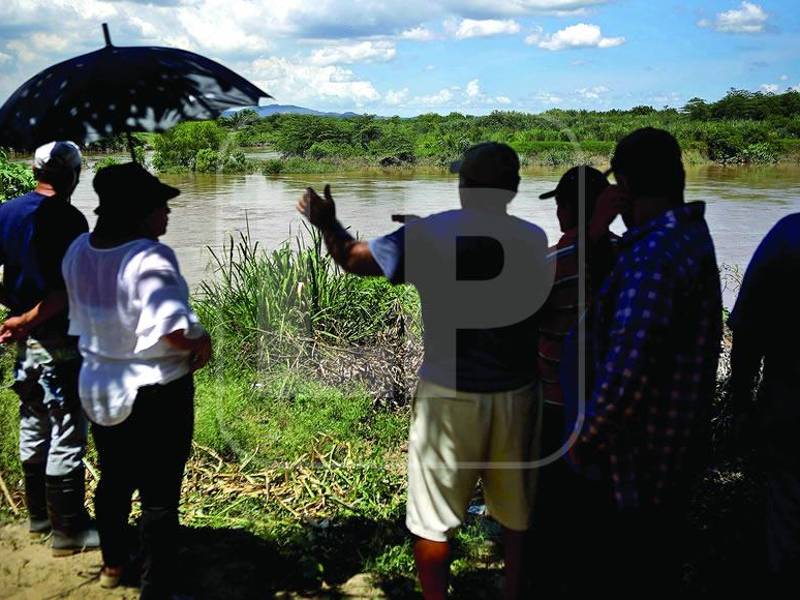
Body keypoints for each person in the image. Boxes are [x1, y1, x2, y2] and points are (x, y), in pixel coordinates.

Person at [297, 142, 552, 600]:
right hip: (517, 393)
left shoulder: (431, 235)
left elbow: (353, 259)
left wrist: (326, 221)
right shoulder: (534, 238)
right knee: (517, 515)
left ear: (462, 186)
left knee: (432, 519)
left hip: (447, 395)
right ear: (513, 188)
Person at [575, 128, 722, 594]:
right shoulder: (683, 234)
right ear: (680, 174)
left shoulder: (653, 257)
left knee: (633, 570)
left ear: (624, 186)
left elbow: (627, 372)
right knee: (658, 563)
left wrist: (585, 440)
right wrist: (600, 233)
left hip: (642, 458)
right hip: (675, 445)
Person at [61, 163, 212, 597]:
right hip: (156, 389)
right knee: (161, 490)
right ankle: (157, 585)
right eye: (161, 205)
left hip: (100, 383)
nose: (168, 213)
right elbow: (172, 330)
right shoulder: (149, 257)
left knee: (114, 477)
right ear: (140, 212)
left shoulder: (78, 249)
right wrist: (202, 344)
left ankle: (113, 563)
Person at [0, 141, 100, 555]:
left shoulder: (5, 211)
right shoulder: (69, 219)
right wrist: (27, 319)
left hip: (27, 343)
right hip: (59, 337)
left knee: (34, 421)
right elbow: (65, 291)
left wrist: (15, 312)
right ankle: (68, 531)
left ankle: (39, 518)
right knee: (66, 429)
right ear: (71, 175)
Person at [529, 165, 618, 594]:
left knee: (553, 513)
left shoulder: (553, 263)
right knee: (601, 513)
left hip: (556, 406)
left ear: (565, 209)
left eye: (561, 204)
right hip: (613, 410)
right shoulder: (629, 257)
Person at [728, 213, 800, 588]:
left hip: (789, 413)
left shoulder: (787, 236)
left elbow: (748, 329)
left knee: (787, 521)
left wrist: (740, 402)